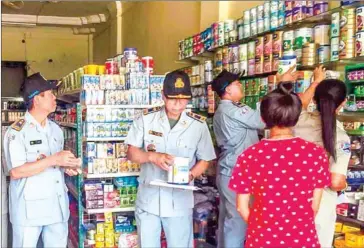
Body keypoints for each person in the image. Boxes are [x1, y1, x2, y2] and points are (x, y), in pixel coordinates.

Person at [229, 83, 330, 247]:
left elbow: (241, 207)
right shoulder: (316, 153)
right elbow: (315, 206)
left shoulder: (249, 155)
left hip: (262, 238)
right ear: (296, 117)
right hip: (302, 236)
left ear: (262, 118)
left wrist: (262, 228)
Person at [126, 70, 216, 248]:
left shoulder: (198, 125)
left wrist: (190, 175)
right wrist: (152, 156)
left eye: (183, 99)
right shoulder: (146, 119)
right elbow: (131, 153)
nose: (177, 104)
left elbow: (205, 159)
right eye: (172, 98)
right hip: (149, 199)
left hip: (179, 202)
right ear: (163, 96)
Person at [3, 72, 81, 248]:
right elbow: (16, 171)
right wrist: (54, 160)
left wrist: (66, 166)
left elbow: (54, 163)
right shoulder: (17, 132)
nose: (55, 97)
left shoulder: (56, 130)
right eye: (50, 94)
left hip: (56, 207)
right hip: (29, 211)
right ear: (37, 99)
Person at [293, 66, 350, 247]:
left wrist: (316, 81)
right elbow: (335, 182)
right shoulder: (340, 137)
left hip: (289, 201)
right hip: (320, 208)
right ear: (343, 103)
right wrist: (345, 184)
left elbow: (299, 103)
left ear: (316, 99)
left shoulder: (298, 121)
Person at [211, 69, 265, 248]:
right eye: (237, 84)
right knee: (237, 222)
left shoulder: (231, 109)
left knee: (228, 219)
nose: (241, 87)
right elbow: (260, 121)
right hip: (235, 171)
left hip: (231, 170)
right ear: (227, 90)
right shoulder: (231, 110)